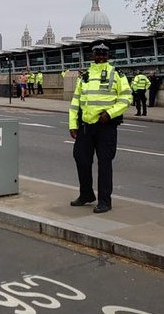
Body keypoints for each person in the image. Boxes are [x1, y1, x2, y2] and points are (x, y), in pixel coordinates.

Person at [68, 43, 132, 214]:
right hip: (86, 126)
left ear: (108, 56)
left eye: (104, 54)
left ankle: (105, 201)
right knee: (81, 159)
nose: (101, 57)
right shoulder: (85, 76)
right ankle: (86, 194)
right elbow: (76, 102)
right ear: (93, 55)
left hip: (106, 127)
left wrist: (110, 114)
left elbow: (126, 98)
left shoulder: (116, 74)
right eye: (98, 54)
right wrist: (73, 124)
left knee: (104, 164)